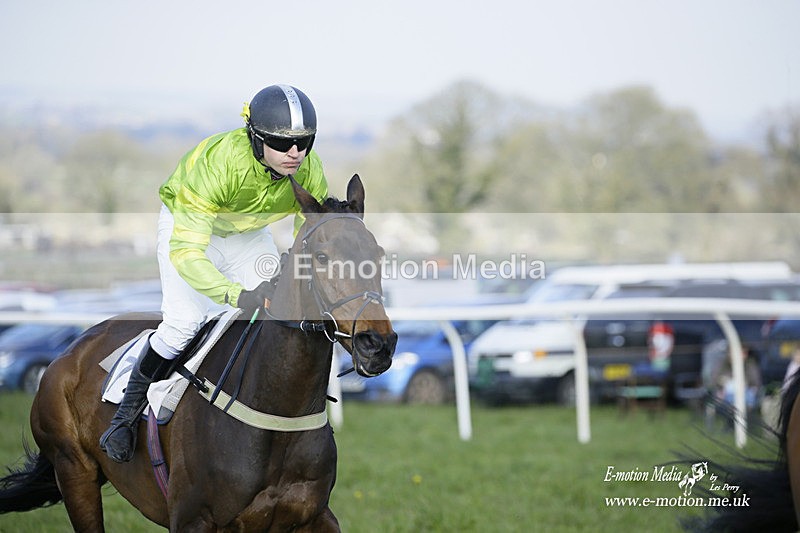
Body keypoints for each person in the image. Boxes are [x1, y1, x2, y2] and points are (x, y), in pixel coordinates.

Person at [100, 84, 328, 462]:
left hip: (246, 234)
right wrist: (236, 295)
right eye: (281, 142)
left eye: (305, 142)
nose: (296, 153)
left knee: (276, 312)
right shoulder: (219, 164)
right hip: (188, 230)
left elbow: (311, 233)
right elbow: (188, 253)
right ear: (255, 138)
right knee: (184, 324)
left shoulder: (309, 169)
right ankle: (125, 415)